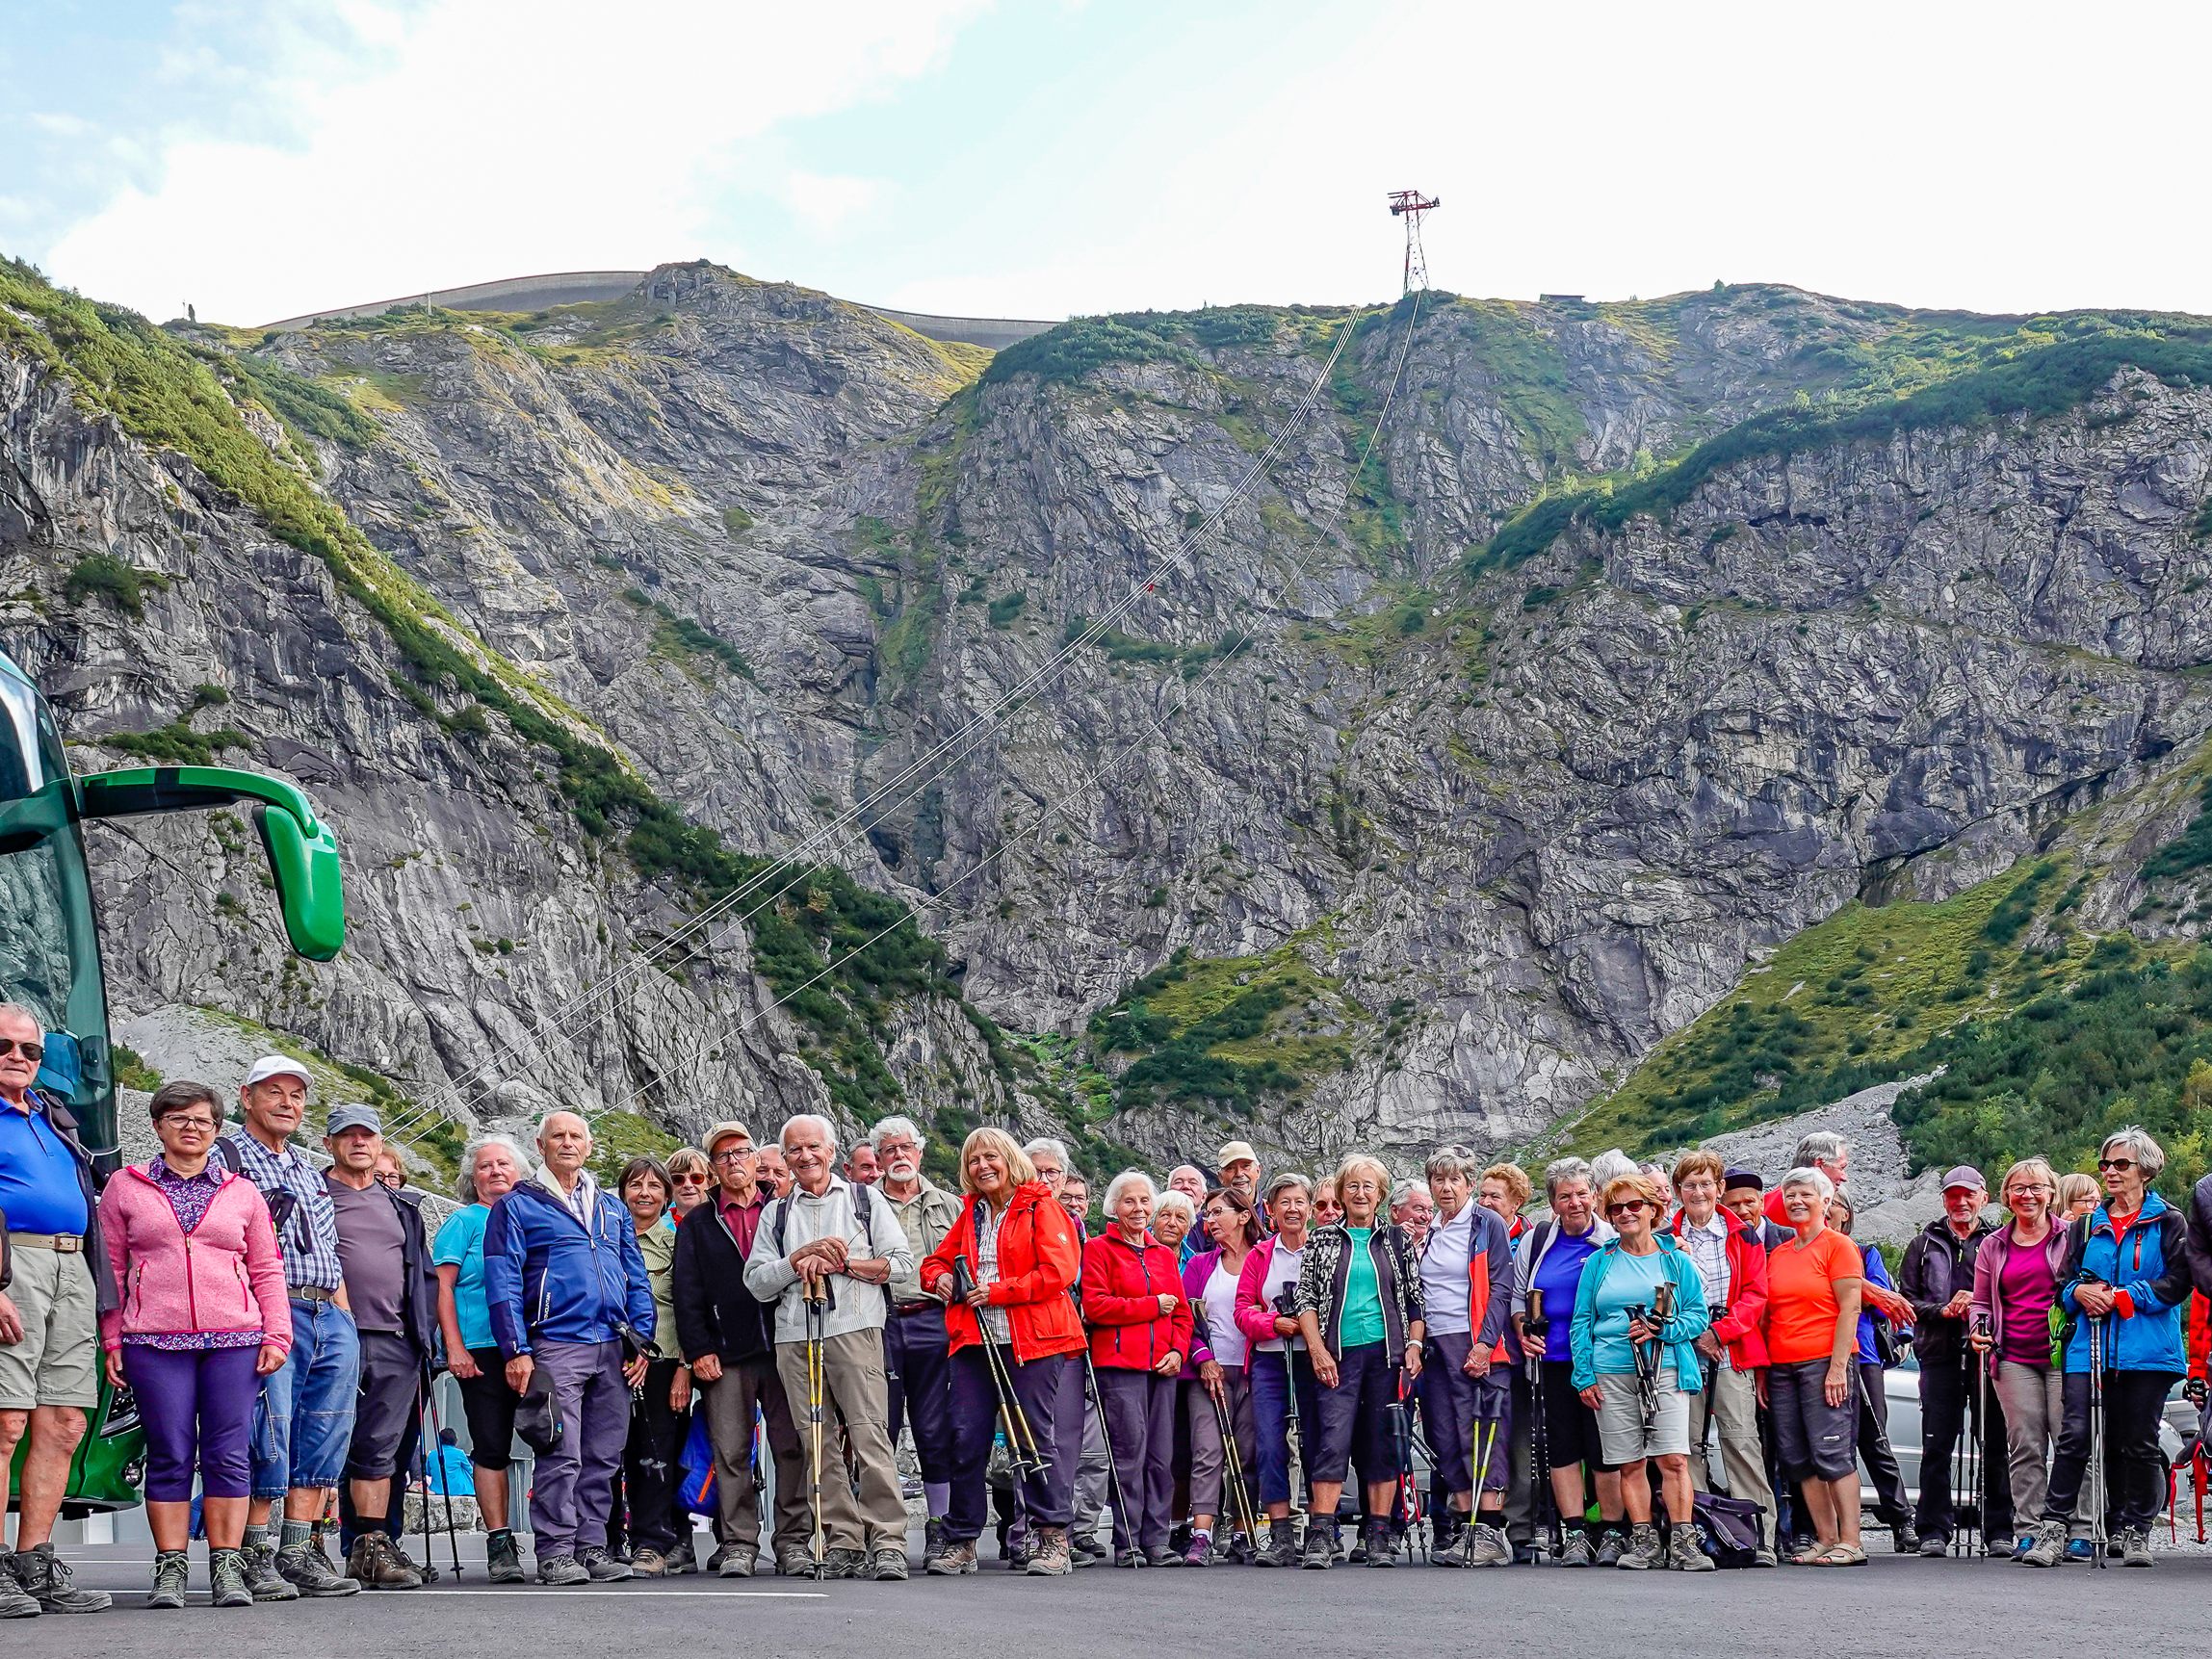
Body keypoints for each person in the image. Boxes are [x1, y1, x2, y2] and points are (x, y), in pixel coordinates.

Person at [95, 1081, 290, 1610]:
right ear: (158, 1125)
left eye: (203, 1120)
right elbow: (112, 1268)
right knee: (169, 1452)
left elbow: (266, 1267)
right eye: (178, 1118)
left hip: (234, 1340)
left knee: (229, 1452)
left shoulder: (242, 1192)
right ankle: (171, 1568)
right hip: (153, 1341)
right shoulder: (124, 1186)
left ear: (217, 1130)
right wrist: (113, 1335)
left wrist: (277, 1332)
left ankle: (226, 1566)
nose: (191, 1128)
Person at [484, 1111, 656, 1586]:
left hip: (613, 1346)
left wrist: (640, 1338)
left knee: (603, 1455)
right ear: (539, 1146)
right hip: (556, 1344)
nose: (566, 1143)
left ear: (589, 1145)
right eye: (557, 1136)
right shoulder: (516, 1206)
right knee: (561, 1451)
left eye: (575, 1136)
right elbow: (501, 1281)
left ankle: (592, 1546)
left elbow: (635, 1276)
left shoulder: (610, 1207)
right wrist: (516, 1349)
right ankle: (556, 1551)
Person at [742, 1114, 914, 1581]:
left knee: (868, 1433)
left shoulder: (864, 1199)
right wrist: (796, 1260)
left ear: (832, 1151)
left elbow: (901, 1264)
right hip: (795, 1335)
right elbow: (756, 1282)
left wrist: (844, 1263)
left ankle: (888, 1541)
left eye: (813, 1147)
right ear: (784, 1156)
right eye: (794, 1149)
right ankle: (843, 1540)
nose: (805, 1156)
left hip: (856, 1329)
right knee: (818, 1442)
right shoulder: (776, 1212)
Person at [919, 1128, 1087, 1575]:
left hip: (1034, 1339)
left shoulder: (1042, 1207)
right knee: (966, 1436)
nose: (982, 1167)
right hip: (975, 1341)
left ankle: (1053, 1538)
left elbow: (1061, 1271)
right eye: (973, 1161)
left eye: (990, 1157)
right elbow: (934, 1261)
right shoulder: (971, 1213)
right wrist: (939, 1279)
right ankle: (962, 1540)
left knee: (1033, 1436)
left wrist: (997, 1292)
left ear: (1010, 1159)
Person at [2021, 1128, 2192, 1568]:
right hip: (2088, 1348)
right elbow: (2062, 1284)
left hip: (2148, 1352)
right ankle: (2053, 1529)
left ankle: (2134, 1530)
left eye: (2121, 1164)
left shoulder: (2169, 1221)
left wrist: (2122, 1297)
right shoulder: (2085, 1225)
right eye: (2105, 1164)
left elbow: (2177, 1284)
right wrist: (2078, 1294)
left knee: (2137, 1442)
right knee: (2075, 1435)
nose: (2110, 1172)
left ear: (2145, 1171)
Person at [222, 1054, 359, 1598]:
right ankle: (256, 1553)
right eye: (274, 1092)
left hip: (328, 1308)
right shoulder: (227, 1157)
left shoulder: (307, 1168)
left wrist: (344, 1315)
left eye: (296, 1095)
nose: (287, 1103)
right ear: (247, 1097)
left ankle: (298, 1550)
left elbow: (329, 1249)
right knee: (269, 1427)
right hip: (268, 1309)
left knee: (324, 1429)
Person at [0, 1003, 115, 1616]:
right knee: (5, 1421)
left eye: (31, 1050)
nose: (18, 1057)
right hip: (12, 1266)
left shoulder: (52, 1116)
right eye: (5, 1046)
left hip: (73, 1269)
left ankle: (33, 1562)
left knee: (65, 1420)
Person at [671, 1121, 807, 1578]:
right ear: (713, 1168)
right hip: (726, 1354)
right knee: (730, 1451)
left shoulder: (787, 1209)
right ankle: (738, 1543)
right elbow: (685, 1293)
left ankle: (793, 1541)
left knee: (792, 1447)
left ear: (756, 1159)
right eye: (723, 1156)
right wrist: (699, 1350)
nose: (733, 1161)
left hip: (786, 1345)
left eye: (741, 1152)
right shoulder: (696, 1223)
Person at [1570, 1173, 1714, 1570]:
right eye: (1616, 1208)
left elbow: (1697, 1317)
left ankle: (1684, 1542)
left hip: (1664, 1368)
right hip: (1611, 1371)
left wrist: (1661, 1329)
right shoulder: (1599, 1262)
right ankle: (1644, 1540)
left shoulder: (1675, 1260)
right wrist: (1583, 1375)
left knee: (1673, 1460)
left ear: (1654, 1210)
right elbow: (1581, 1321)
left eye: (1635, 1205)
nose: (1625, 1214)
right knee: (1629, 1462)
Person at [321, 1104, 438, 1590]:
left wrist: (425, 1339)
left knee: (379, 1449)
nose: (358, 1143)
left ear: (379, 1141)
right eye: (346, 1135)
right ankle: (302, 1546)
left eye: (366, 1135)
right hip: (328, 1331)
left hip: (394, 1341)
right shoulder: (311, 1194)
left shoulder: (402, 1208)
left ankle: (370, 1548)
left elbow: (425, 1275)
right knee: (320, 1443)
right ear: (329, 1143)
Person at [1294, 1153, 1424, 1568]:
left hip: (1388, 1358)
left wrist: (1415, 1347)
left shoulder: (1397, 1241)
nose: (1360, 1193)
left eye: (1368, 1186)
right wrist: (1317, 1350)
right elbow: (1306, 1300)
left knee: (1383, 1442)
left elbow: (1415, 1302)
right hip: (1337, 1355)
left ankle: (1379, 1534)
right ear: (1341, 1192)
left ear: (1381, 1194)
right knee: (1331, 1439)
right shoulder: (1322, 1240)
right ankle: (1321, 1532)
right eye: (1352, 1186)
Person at [432, 1133, 534, 1583]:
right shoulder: (463, 1222)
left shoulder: (535, 1218)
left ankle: (561, 1540)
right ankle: (500, 1541)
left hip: (537, 1347)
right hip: (481, 1349)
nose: (495, 1171)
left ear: (521, 1174)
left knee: (552, 1440)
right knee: (491, 1444)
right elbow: (443, 1289)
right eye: (485, 1166)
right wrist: (454, 1346)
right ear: (472, 1179)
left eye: (503, 1164)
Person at [1667, 1150, 1775, 1563]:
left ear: (1719, 1188)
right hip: (1682, 1350)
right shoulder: (1666, 1238)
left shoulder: (1742, 1235)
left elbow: (1755, 1295)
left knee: (1740, 1439)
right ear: (1678, 1192)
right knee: (1686, 1445)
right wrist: (1695, 1333)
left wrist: (1719, 1332)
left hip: (1730, 1348)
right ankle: (1698, 1536)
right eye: (1690, 1185)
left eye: (1706, 1184)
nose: (1698, 1192)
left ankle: (1757, 1537)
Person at [1512, 1155, 1620, 1566]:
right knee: (1562, 1448)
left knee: (1603, 1449)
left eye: (1581, 1194)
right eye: (1564, 1197)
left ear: (1594, 1195)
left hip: (1603, 1360)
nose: (1575, 1203)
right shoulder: (1539, 1242)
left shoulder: (1611, 1239)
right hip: (1553, 1361)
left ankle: (1611, 1529)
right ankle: (1575, 1531)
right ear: (1552, 1203)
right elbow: (1517, 1294)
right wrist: (1523, 1327)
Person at [1971, 1156, 2079, 1562]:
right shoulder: (1993, 1244)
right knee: (2026, 1444)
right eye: (2018, 1187)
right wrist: (1978, 1327)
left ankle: (2077, 1528)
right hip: (2013, 1355)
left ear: (2052, 1193)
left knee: (2069, 1442)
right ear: (2006, 1196)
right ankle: (2030, 1530)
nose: (2027, 1194)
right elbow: (1981, 1301)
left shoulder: (2072, 1236)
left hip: (2064, 1353)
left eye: (2036, 1187)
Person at [1081, 1171, 1191, 1567]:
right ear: (1114, 1207)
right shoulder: (1097, 1249)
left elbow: (1181, 1313)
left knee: (1161, 1457)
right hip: (1119, 1367)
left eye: (1145, 1201)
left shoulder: (1162, 1254)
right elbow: (1096, 1306)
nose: (1139, 1209)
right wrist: (1150, 1306)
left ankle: (1156, 1540)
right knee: (1129, 1455)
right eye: (1130, 1201)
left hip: (1162, 1369)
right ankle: (1127, 1540)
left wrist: (1178, 1352)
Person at [1900, 1164, 2010, 1554]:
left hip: (1987, 1351)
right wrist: (1943, 1310)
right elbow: (1907, 1301)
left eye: (1968, 1194)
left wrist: (1978, 1306)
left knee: (1994, 1443)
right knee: (1937, 1444)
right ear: (1944, 1198)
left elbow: (2010, 1295)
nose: (1960, 1202)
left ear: (1984, 1196)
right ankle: (1933, 1530)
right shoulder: (1922, 1244)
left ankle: (1999, 1530)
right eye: (1952, 1195)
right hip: (1939, 1353)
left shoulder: (1998, 1241)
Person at [1416, 1147, 1513, 1568]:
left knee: (1482, 1430)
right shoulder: (1430, 1230)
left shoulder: (1486, 1223)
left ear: (1469, 1184)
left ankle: (1488, 1531)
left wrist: (1485, 1343)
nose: (1446, 1187)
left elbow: (1502, 1286)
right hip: (1436, 1344)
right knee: (1445, 1433)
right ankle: (1463, 1526)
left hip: (1473, 1341)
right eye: (1439, 1179)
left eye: (1455, 1179)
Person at [1764, 1167, 1864, 1565]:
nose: (1797, 1202)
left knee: (1833, 1453)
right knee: (1799, 1457)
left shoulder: (1838, 1246)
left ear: (1826, 1201)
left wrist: (1838, 1367)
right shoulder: (1781, 1253)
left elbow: (1850, 1306)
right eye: (1790, 1196)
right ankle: (1824, 1537)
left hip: (1824, 1361)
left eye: (1806, 1194)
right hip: (1782, 1365)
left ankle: (1852, 1541)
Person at [872, 1116, 961, 1558]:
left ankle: (939, 1525)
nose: (899, 1156)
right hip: (878, 1321)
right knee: (878, 1429)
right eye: (889, 1150)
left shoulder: (951, 1205)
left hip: (935, 1321)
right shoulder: (862, 1204)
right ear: (878, 1158)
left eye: (906, 1147)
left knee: (934, 1428)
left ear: (920, 1152)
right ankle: (883, 1531)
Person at [1236, 1172, 1320, 1567]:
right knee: (1270, 1444)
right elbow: (1242, 1310)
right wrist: (1272, 1324)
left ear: (1309, 1208)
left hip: (1313, 1358)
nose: (1292, 1209)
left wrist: (1306, 1328)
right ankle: (1281, 1532)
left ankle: (1322, 1529)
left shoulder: (1322, 1250)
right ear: (1270, 1210)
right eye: (1284, 1202)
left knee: (1317, 1442)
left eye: (1299, 1201)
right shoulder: (1259, 1256)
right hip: (1270, 1359)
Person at [615, 1157, 693, 1575]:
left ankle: (651, 1543)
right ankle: (608, 1539)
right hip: (612, 1364)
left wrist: (685, 1368)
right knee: (608, 1454)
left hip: (663, 1365)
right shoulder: (606, 1238)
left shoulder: (677, 1241)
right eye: (635, 1185)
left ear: (666, 1196)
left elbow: (688, 1308)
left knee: (656, 1455)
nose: (644, 1193)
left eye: (654, 1186)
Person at [1828, 1194, 1915, 1553]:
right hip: (1817, 1356)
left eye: (1833, 1201)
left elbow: (1878, 1302)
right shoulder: (1799, 1250)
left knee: (1874, 1439)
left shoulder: (1865, 1252)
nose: (1826, 1206)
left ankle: (1901, 1520)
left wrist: (1847, 1287)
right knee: (1831, 1444)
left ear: (1846, 1213)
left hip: (1862, 1356)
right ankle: (1832, 1528)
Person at [1181, 1186, 1261, 1565]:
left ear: (1243, 1216)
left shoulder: (1264, 1259)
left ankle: (1243, 1530)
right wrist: (1202, 1358)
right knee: (1207, 1451)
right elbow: (1186, 1320)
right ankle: (1202, 1534)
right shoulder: (1199, 1266)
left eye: (1216, 1213)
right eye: (1207, 1215)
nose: (1208, 1221)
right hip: (1209, 1370)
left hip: (1254, 1369)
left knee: (1249, 1452)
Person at [1477, 1160, 1537, 1562]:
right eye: (1481, 1194)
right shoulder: (1471, 1235)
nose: (1484, 1202)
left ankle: (1520, 1526)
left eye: (1494, 1196)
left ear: (1516, 1202)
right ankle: (1473, 1521)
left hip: (1517, 1355)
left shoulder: (1531, 1240)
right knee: (1481, 1438)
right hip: (1480, 1353)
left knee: (1518, 1443)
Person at [1765, 1134, 1848, 1227]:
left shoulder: (1771, 1198)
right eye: (1841, 1168)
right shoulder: (1804, 1206)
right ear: (1819, 1163)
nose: (1844, 1178)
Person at [664, 1148, 713, 1220]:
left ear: (709, 1182)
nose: (688, 1185)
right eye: (678, 1179)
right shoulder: (653, 1228)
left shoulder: (727, 1223)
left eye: (696, 1178)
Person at [1389, 1181, 1434, 1254]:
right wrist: (1396, 1236)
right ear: (1395, 1211)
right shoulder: (1378, 1245)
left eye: (1430, 1211)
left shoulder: (1436, 1246)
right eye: (1419, 1209)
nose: (1427, 1217)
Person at [1217, 1142, 1262, 1211]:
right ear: (1221, 1177)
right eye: (1230, 1168)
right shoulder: (1206, 1219)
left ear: (1258, 1171)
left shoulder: (1276, 1215)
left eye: (1246, 1166)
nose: (1239, 1173)